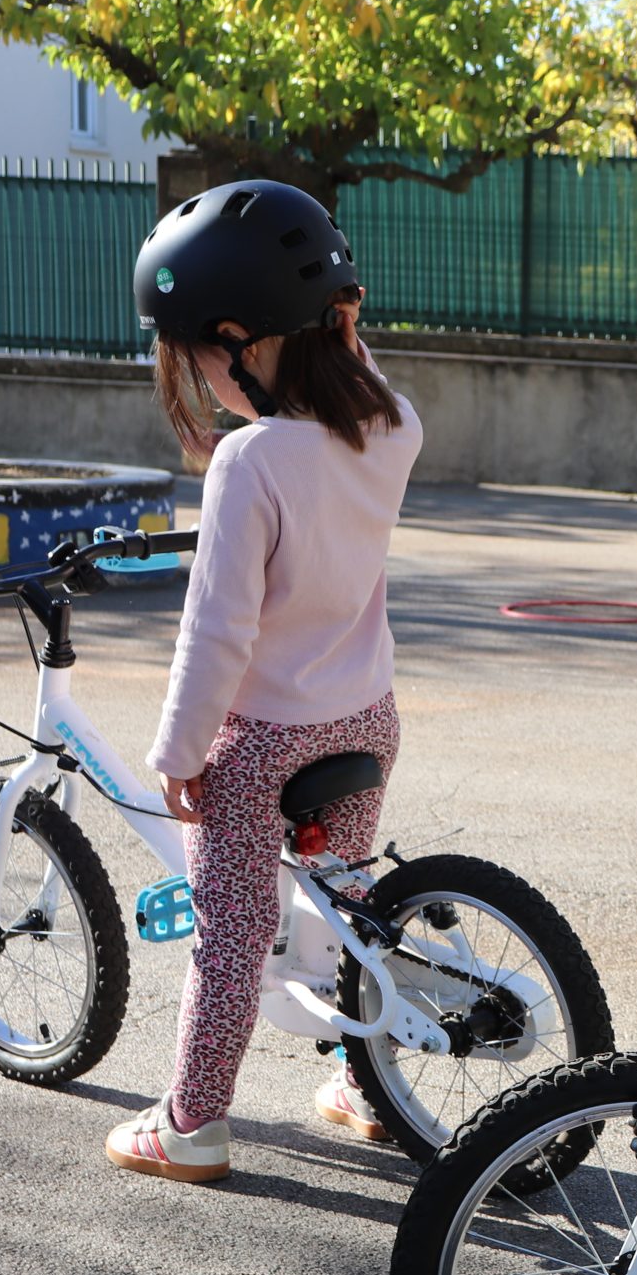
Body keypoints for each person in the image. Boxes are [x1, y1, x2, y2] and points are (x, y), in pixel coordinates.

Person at [105, 180, 423, 1183]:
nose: (200, 379)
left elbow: (218, 632)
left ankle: (193, 1123)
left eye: (198, 354)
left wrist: (178, 752)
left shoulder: (250, 461)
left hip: (265, 737)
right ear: (335, 324)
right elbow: (347, 371)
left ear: (238, 339)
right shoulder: (390, 424)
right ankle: (360, 1079)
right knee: (345, 903)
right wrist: (341, 325)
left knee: (229, 933)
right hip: (365, 718)